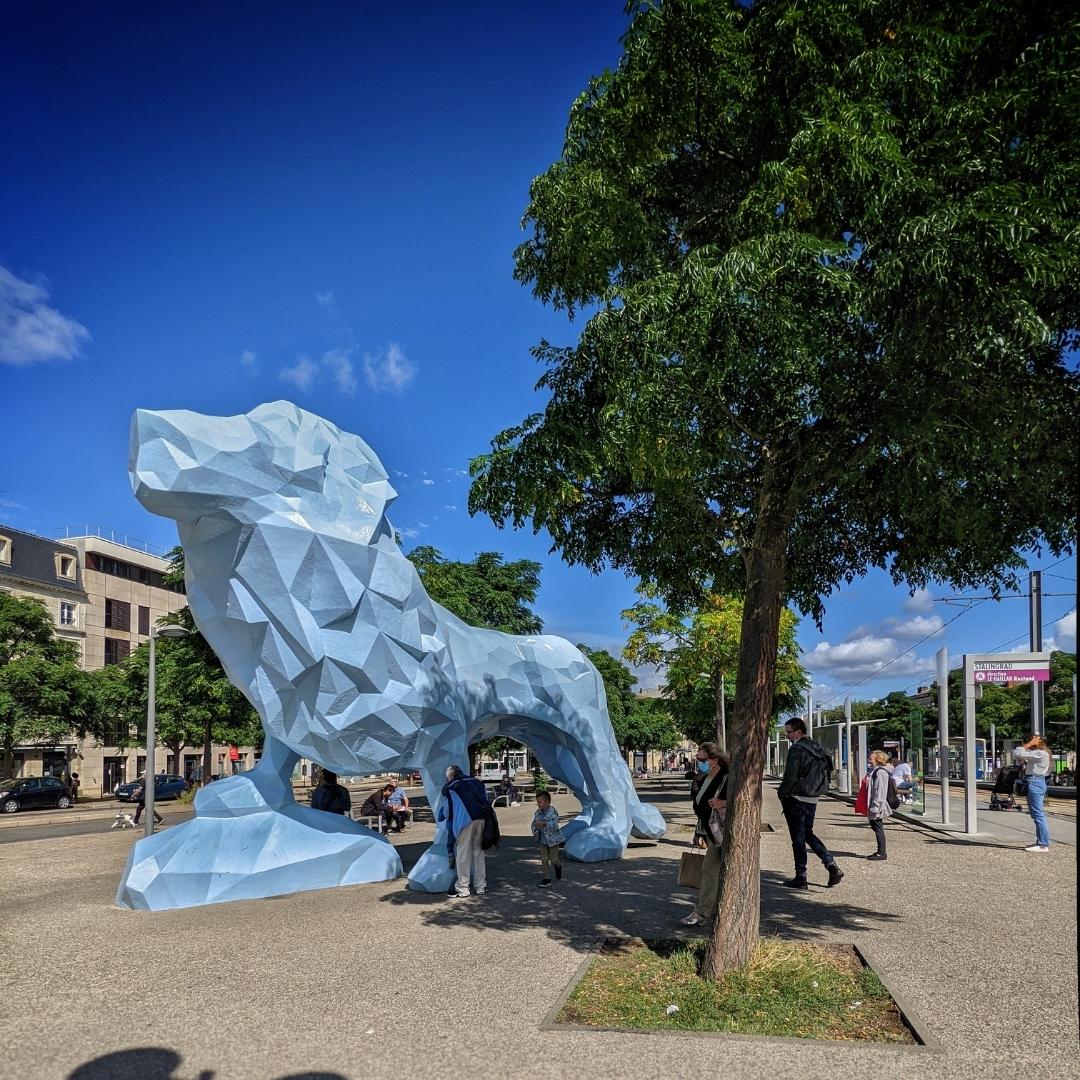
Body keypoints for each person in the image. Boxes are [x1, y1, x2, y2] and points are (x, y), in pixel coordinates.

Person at [778, 718, 843, 889]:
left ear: (798, 731)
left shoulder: (796, 749)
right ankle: (830, 864)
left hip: (797, 797)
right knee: (807, 833)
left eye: (789, 732)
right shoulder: (817, 747)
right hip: (813, 797)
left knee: (797, 839)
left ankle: (801, 876)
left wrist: (782, 794)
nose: (787, 736)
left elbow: (790, 776)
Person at [679, 741, 729, 926]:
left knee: (710, 870)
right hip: (712, 832)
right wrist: (699, 833)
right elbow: (702, 810)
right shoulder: (702, 778)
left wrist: (725, 803)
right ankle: (708, 912)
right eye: (697, 759)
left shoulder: (726, 777)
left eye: (702, 759)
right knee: (711, 871)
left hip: (725, 833)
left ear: (714, 760)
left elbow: (744, 800)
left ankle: (702, 912)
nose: (698, 762)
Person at [438, 765, 491, 897]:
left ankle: (463, 888)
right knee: (478, 853)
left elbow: (447, 812)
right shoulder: (477, 782)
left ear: (450, 776)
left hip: (464, 822)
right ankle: (481, 886)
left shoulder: (450, 787)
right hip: (482, 820)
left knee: (463, 855)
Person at [1013, 734, 1052, 852]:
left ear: (1036, 742)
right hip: (1034, 782)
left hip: (1035, 782)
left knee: (1038, 815)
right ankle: (1040, 842)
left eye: (1029, 742)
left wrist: (1030, 744)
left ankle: (1043, 844)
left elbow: (1018, 752)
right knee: (1036, 815)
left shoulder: (1040, 753)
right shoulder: (1037, 754)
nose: (1027, 745)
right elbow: (1018, 756)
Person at [531, 790, 565, 886]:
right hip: (543, 840)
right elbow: (533, 823)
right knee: (544, 859)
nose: (538, 804)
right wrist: (535, 830)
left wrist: (545, 823)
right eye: (537, 802)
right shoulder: (538, 813)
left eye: (539, 802)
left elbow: (554, 823)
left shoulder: (552, 812)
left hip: (554, 840)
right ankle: (547, 878)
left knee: (554, 859)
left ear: (546, 802)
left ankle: (558, 867)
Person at [865, 751, 893, 861]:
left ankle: (882, 852)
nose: (868, 760)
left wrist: (876, 806)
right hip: (874, 803)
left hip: (877, 804)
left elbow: (880, 790)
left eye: (871, 758)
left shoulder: (880, 772)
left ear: (878, 759)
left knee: (877, 827)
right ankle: (880, 851)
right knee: (875, 826)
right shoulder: (876, 771)